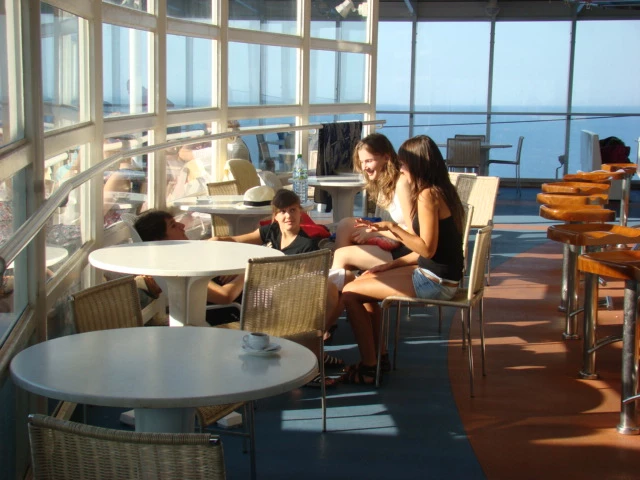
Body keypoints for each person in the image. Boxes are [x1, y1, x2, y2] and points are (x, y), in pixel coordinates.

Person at [338, 135, 465, 385]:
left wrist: (392, 227)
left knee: (350, 294)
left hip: (435, 282)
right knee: (365, 281)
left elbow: (426, 249)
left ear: (419, 164)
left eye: (404, 163)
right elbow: (430, 250)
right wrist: (390, 265)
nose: (401, 168)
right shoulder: (442, 191)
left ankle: (369, 366)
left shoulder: (427, 196)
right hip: (438, 276)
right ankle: (379, 357)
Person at [212, 189, 344, 359]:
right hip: (255, 289)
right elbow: (238, 241)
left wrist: (245, 272)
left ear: (301, 213)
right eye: (282, 211)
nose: (288, 216)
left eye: (293, 210)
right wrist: (219, 240)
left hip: (275, 301)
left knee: (224, 294)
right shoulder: (272, 231)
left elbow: (300, 285)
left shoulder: (307, 245)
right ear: (275, 216)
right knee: (218, 281)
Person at [134, 210, 245, 326]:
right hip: (231, 313)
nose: (182, 226)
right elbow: (225, 296)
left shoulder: (183, 256)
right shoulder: (178, 268)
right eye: (173, 226)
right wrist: (247, 272)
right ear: (160, 241)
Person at [331, 132, 414, 277]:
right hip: (397, 237)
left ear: (386, 157)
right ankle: (346, 279)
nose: (364, 167)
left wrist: (376, 232)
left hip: (407, 250)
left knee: (341, 255)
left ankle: (340, 281)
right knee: (345, 225)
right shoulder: (387, 183)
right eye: (362, 162)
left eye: (368, 161)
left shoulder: (402, 184)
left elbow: (413, 234)